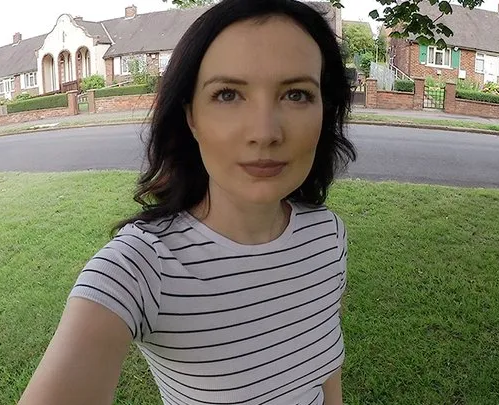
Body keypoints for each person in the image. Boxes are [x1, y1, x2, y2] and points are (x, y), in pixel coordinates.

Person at [18, 0, 356, 403]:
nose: (265, 132)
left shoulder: (328, 236)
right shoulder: (141, 267)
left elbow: (325, 376)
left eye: (297, 94)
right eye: (228, 94)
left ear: (324, 111)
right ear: (191, 117)